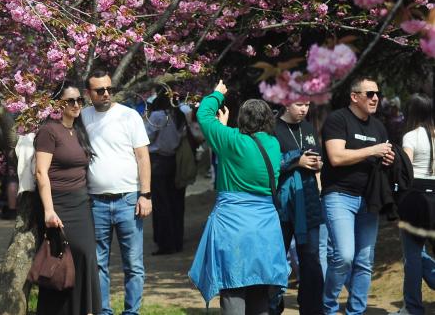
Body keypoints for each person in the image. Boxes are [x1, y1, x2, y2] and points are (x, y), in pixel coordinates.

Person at [189, 80, 289, 314]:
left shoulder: (231, 140)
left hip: (233, 226)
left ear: (242, 119)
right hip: (266, 228)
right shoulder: (273, 144)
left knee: (233, 287)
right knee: (259, 287)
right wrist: (222, 128)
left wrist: (217, 94)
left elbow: (203, 115)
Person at [321, 76, 393, 315]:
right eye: (369, 94)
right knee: (344, 256)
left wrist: (387, 159)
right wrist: (372, 150)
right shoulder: (337, 119)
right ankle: (329, 308)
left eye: (377, 94)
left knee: (364, 261)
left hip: (369, 199)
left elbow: (378, 160)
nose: (375, 98)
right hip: (339, 196)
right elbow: (336, 157)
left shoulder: (378, 127)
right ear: (354, 96)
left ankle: (356, 311)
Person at [81, 69, 151, 315]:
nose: (107, 93)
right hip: (95, 201)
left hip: (129, 199)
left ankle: (131, 312)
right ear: (89, 93)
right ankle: (103, 311)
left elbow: (142, 157)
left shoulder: (129, 116)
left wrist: (146, 194)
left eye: (109, 88)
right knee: (99, 263)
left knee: (133, 263)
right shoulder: (82, 117)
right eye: (100, 90)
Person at [34, 82, 101, 315]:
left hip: (81, 204)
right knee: (63, 260)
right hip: (59, 205)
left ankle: (85, 310)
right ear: (58, 104)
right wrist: (49, 210)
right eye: (69, 101)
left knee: (87, 256)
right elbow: (41, 172)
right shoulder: (49, 131)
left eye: (79, 101)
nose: (75, 105)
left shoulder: (78, 130)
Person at [273, 100, 324, 314]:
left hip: (309, 198)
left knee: (311, 259)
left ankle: (311, 308)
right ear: (286, 103)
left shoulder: (309, 127)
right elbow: (270, 163)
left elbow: (318, 157)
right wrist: (297, 161)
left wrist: (318, 165)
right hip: (282, 203)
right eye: (299, 104)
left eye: (307, 104)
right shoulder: (273, 127)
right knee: (276, 257)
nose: (304, 109)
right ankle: (273, 303)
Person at [396, 93, 435, 315]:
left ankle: (413, 307)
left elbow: (406, 170)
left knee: (412, 255)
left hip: (415, 197)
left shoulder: (411, 136)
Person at [144, 91, 186, 255]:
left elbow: (147, 137)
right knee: (176, 203)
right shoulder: (179, 115)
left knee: (161, 204)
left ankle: (165, 242)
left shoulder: (157, 115)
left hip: (158, 161)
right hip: (174, 160)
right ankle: (177, 240)